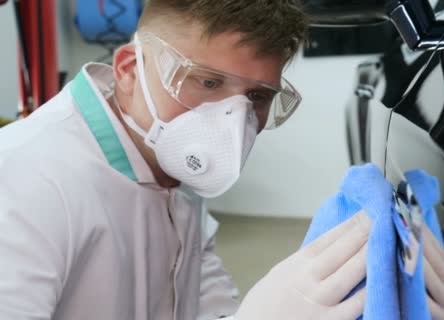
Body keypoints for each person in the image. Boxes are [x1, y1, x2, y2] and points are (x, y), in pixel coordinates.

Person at [0, 1, 371, 319]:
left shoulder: (167, 162)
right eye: (208, 83)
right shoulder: (24, 178)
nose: (231, 122)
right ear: (130, 70)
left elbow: (197, 290)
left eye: (257, 97)